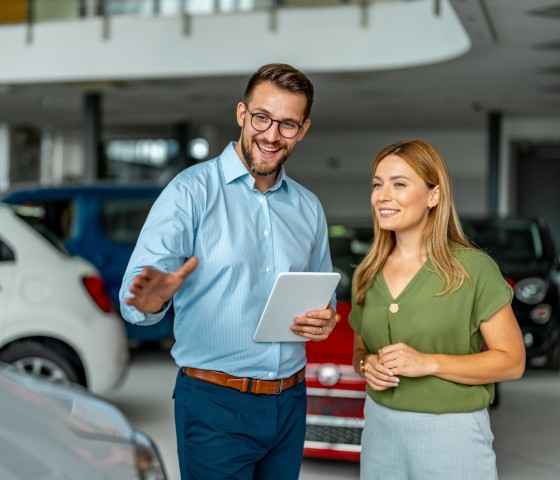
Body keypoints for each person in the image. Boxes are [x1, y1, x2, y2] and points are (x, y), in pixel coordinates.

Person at [119, 63, 338, 480]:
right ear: (242, 114)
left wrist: (323, 318)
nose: (272, 135)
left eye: (288, 125)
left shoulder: (308, 207)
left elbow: (321, 296)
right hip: (215, 403)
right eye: (262, 118)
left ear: (303, 129)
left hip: (289, 400)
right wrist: (151, 300)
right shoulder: (189, 192)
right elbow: (137, 299)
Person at [350, 139, 525, 479]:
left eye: (399, 184)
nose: (382, 196)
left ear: (433, 195)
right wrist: (366, 364)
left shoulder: (472, 269)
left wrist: (428, 362)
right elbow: (359, 351)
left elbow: (512, 361)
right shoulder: (367, 272)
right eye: (377, 184)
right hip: (380, 430)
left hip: (451, 435)